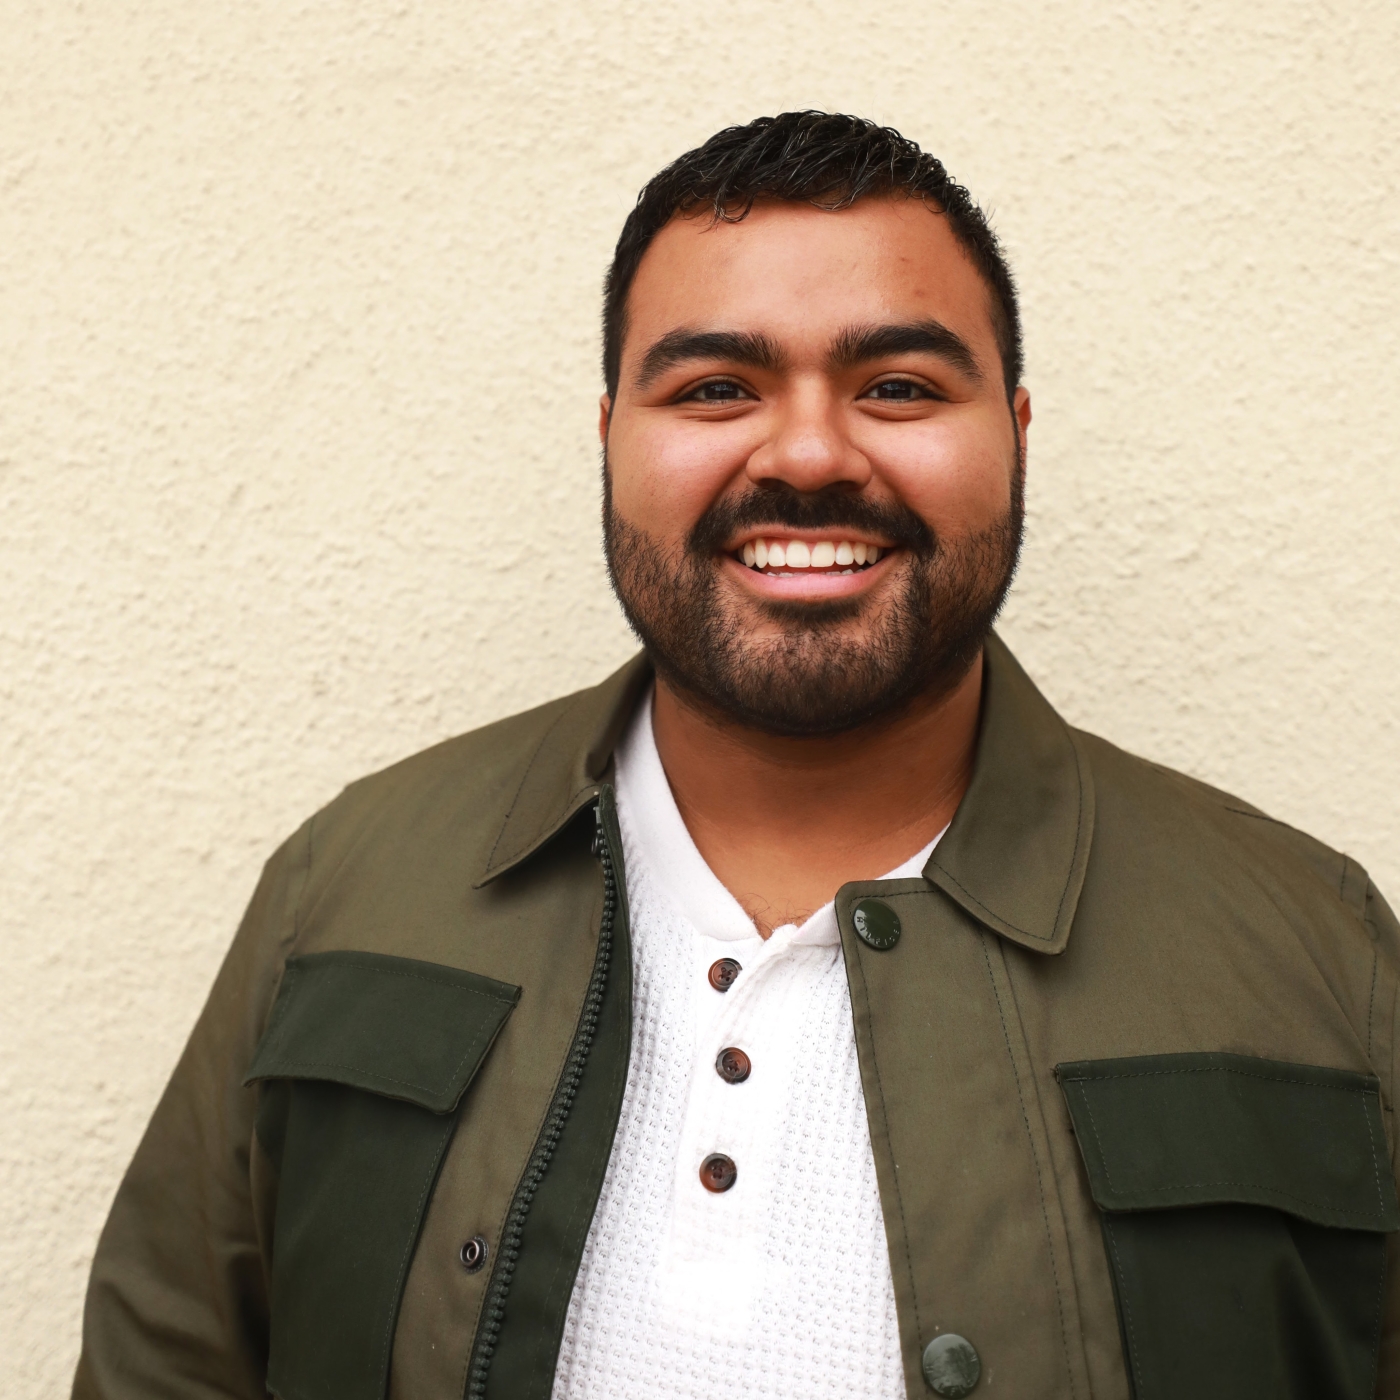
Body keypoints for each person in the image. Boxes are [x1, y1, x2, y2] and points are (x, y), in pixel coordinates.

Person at [73, 112, 1400, 1400]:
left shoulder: (1317, 959)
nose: (810, 454)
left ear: (1015, 431)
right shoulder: (347, 891)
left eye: (898, 386)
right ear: (611, 436)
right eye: (715, 388)